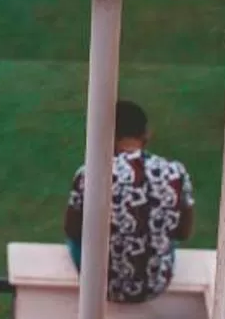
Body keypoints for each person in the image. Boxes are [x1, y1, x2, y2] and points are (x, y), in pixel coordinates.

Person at [64, 98, 194, 303]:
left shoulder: (90, 173)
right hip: (156, 284)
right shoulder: (176, 172)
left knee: (76, 237)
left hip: (104, 285)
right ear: (146, 134)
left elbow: (72, 230)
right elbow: (183, 232)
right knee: (165, 227)